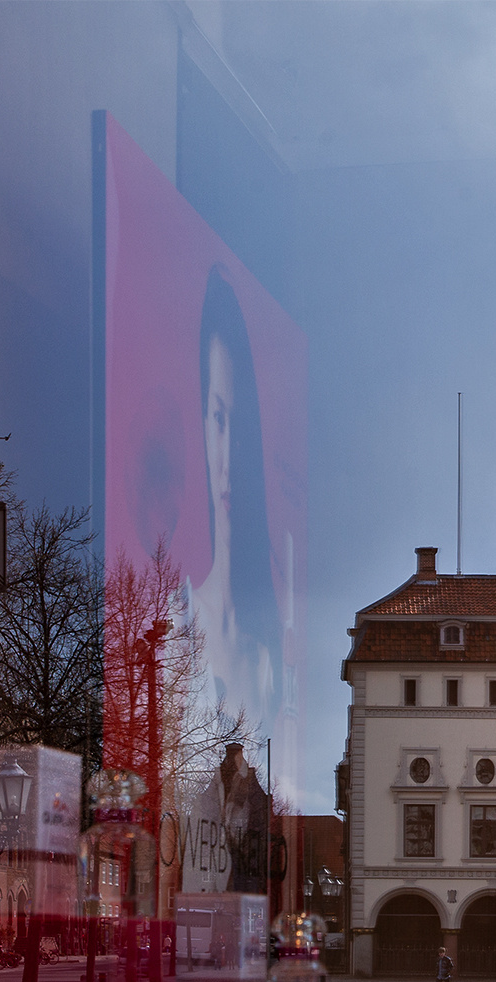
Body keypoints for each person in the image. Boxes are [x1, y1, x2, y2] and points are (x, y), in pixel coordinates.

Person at [188, 268, 286, 734]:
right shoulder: (170, 630)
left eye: (239, 427)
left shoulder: (264, 657)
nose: (228, 458)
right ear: (202, 421)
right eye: (218, 418)